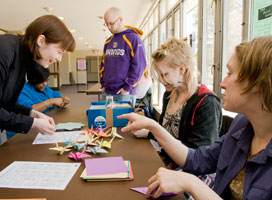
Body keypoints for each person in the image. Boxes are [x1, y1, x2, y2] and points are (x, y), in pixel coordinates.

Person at [119, 36, 272, 199]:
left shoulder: (207, 102)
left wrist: (190, 182)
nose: (222, 83)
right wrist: (153, 126)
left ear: (256, 83)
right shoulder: (242, 125)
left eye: (230, 73)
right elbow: (198, 159)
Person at [132, 38, 222, 170]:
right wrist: (149, 132)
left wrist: (153, 128)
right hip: (168, 163)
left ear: (182, 69)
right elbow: (168, 133)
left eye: (165, 74)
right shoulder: (169, 95)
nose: (161, 80)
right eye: (159, 75)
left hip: (191, 176)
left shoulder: (207, 103)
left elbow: (201, 159)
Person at [0, 15, 75, 138]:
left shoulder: (23, 59)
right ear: (41, 41)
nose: (59, 59)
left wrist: (32, 113)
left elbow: (6, 104)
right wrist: (33, 123)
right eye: (59, 52)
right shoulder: (4, 50)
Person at [100, 7, 147, 107]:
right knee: (104, 121)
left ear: (120, 20)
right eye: (106, 24)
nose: (108, 27)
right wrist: (103, 83)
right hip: (107, 92)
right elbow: (103, 64)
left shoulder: (133, 38)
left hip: (124, 93)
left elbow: (139, 66)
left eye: (111, 23)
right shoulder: (108, 41)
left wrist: (127, 87)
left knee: (123, 122)